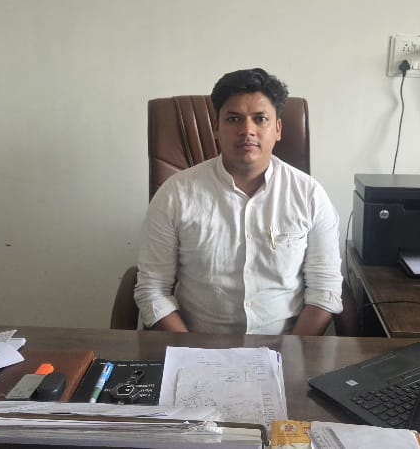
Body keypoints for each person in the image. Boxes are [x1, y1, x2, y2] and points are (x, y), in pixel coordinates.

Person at [134, 68, 343, 335]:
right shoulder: (175, 194)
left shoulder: (310, 195)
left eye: (260, 119)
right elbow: (152, 289)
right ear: (217, 129)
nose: (247, 130)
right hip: (198, 344)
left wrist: (293, 352)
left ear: (278, 129)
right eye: (234, 119)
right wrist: (191, 350)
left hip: (287, 346)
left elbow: (325, 290)